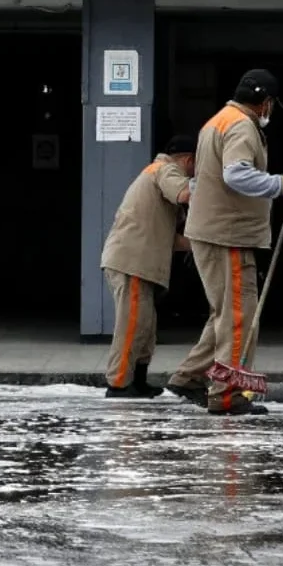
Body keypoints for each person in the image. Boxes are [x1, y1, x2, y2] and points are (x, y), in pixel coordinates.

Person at [166, 68, 283, 416]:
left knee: (224, 313)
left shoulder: (216, 121)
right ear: (265, 102)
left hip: (210, 231)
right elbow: (235, 173)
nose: (270, 111)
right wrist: (280, 185)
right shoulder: (241, 125)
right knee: (239, 315)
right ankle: (228, 393)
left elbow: (203, 181)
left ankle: (190, 377)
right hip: (230, 235)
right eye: (271, 104)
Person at [100, 135, 196, 398]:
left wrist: (201, 243)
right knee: (131, 325)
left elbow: (169, 238)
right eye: (197, 165)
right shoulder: (165, 170)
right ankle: (118, 384)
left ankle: (138, 381)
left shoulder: (156, 174)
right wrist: (213, 184)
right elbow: (185, 193)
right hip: (131, 262)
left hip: (138, 262)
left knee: (145, 326)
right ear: (188, 160)